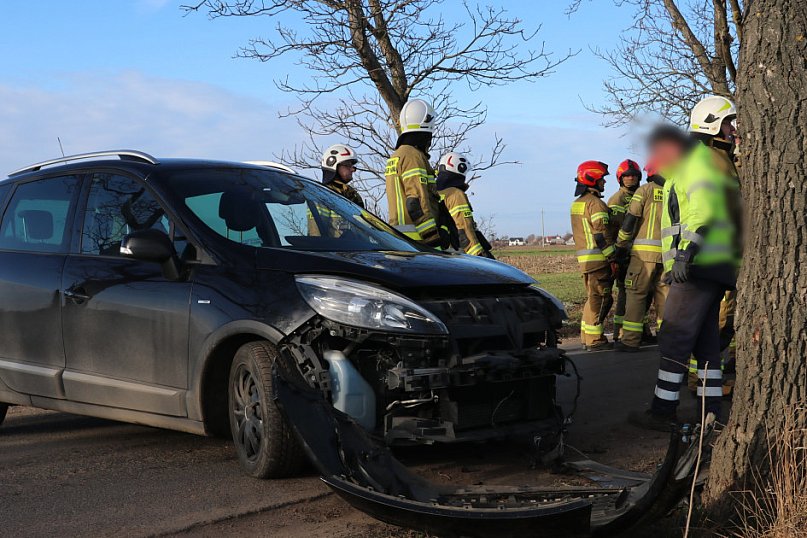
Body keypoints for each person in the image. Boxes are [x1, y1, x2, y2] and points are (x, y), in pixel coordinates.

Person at [629, 96, 741, 430]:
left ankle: (663, 412)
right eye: (729, 123)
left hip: (695, 264)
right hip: (719, 264)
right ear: (710, 123)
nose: (734, 130)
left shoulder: (700, 159)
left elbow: (703, 209)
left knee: (674, 337)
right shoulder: (721, 161)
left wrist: (685, 252)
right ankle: (711, 414)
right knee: (706, 344)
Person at [613, 127, 688, 352]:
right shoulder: (676, 191)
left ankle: (630, 341)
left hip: (642, 257)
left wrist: (620, 246)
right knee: (664, 298)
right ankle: (667, 340)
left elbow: (630, 221)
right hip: (667, 256)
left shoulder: (644, 191)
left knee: (636, 295)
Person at [385, 99, 444, 247]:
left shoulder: (397, 156)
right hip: (417, 241)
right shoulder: (413, 156)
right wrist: (433, 239)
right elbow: (416, 201)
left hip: (400, 240)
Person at [570, 161, 615, 351]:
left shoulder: (577, 204)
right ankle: (595, 339)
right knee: (602, 299)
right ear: (593, 179)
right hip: (599, 261)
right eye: (602, 178)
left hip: (586, 261)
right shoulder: (595, 203)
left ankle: (586, 336)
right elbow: (601, 235)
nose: (604, 182)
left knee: (592, 298)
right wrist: (613, 258)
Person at [607, 160, 641, 341]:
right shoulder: (616, 200)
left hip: (639, 253)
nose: (630, 178)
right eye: (627, 176)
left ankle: (641, 331)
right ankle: (619, 332)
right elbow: (612, 230)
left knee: (641, 293)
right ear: (620, 178)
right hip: (623, 253)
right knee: (624, 293)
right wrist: (616, 255)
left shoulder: (642, 194)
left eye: (634, 175)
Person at [436, 151, 494, 258]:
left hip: (439, 252)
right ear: (459, 169)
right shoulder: (456, 194)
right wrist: (480, 256)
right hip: (455, 254)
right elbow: (465, 229)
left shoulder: (433, 192)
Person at [309, 144, 364, 237]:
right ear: (333, 164)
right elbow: (315, 233)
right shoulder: (323, 195)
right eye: (347, 165)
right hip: (335, 250)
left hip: (357, 249)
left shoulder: (353, 195)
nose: (352, 169)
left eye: (352, 166)